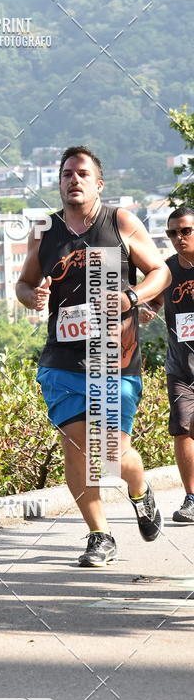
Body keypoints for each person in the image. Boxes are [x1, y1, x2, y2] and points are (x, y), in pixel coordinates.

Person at [16, 145, 170, 567]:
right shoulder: (44, 231)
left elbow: (161, 271)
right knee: (77, 447)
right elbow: (24, 285)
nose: (74, 179)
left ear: (98, 183)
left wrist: (130, 297)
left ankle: (140, 491)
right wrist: (34, 296)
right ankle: (99, 535)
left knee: (113, 454)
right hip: (62, 361)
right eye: (67, 173)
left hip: (116, 358)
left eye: (82, 173)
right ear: (59, 181)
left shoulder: (119, 221)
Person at [141, 206, 194, 524]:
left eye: (185, 231)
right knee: (183, 429)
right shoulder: (166, 269)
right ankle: (192, 498)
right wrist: (146, 311)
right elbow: (153, 301)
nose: (178, 238)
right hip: (181, 366)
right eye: (172, 233)